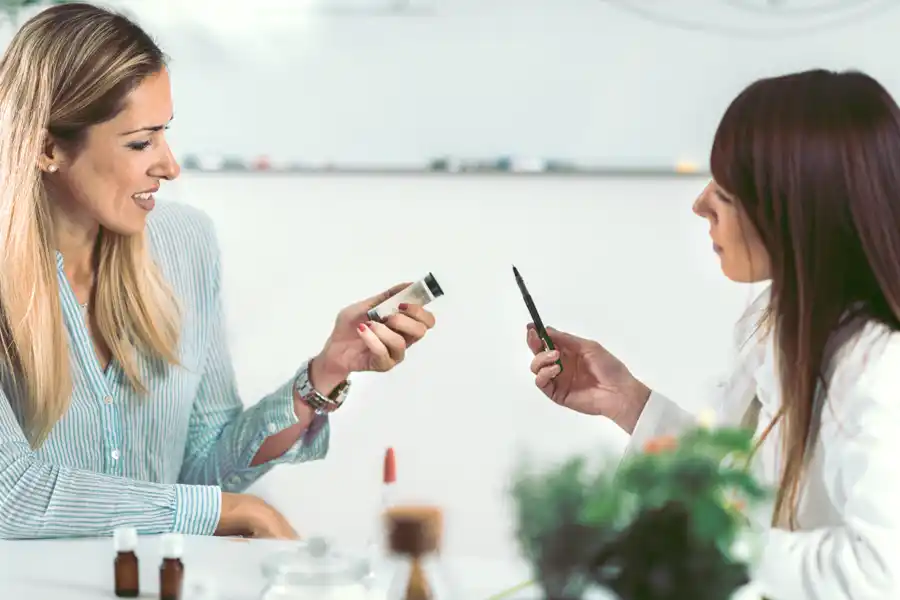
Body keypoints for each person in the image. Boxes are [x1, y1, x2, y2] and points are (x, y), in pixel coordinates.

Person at [0, 3, 436, 540]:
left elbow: (205, 470)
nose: (169, 164)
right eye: (141, 142)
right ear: (47, 148)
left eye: (164, 133)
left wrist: (324, 373)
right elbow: (10, 497)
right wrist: (238, 513)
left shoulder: (185, 245)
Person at [527, 69, 900, 600]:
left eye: (725, 190)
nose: (700, 204)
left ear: (797, 206)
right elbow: (737, 486)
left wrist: (712, 541)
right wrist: (631, 403)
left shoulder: (878, 365)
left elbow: (880, 573)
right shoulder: (776, 320)